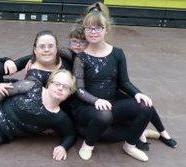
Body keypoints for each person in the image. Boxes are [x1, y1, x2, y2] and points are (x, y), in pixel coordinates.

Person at [65, 21, 177, 150]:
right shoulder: (71, 58)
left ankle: (158, 132)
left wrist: (137, 93)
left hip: (107, 100)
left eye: (82, 42)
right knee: (107, 133)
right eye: (74, 42)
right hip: (84, 108)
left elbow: (123, 83)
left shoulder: (102, 55)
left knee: (144, 103)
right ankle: (140, 132)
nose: (78, 45)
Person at [72, 2, 153, 161]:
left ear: (106, 29)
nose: (93, 32)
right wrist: (96, 100)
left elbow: (124, 82)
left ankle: (130, 145)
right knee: (104, 115)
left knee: (146, 107)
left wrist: (138, 94)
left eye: (97, 28)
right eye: (89, 28)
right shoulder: (81, 57)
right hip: (87, 106)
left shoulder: (117, 53)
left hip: (111, 104)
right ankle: (88, 145)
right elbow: (79, 89)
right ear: (84, 30)